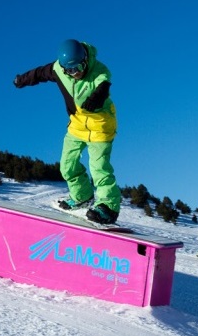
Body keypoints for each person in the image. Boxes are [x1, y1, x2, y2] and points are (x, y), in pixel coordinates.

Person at [13, 39, 121, 225]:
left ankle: (108, 207)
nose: (75, 73)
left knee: (99, 168)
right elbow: (39, 73)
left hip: (100, 126)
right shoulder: (58, 70)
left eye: (78, 67)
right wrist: (21, 79)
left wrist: (96, 98)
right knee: (67, 165)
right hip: (77, 125)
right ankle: (82, 196)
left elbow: (104, 87)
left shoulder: (99, 71)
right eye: (69, 70)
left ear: (85, 59)